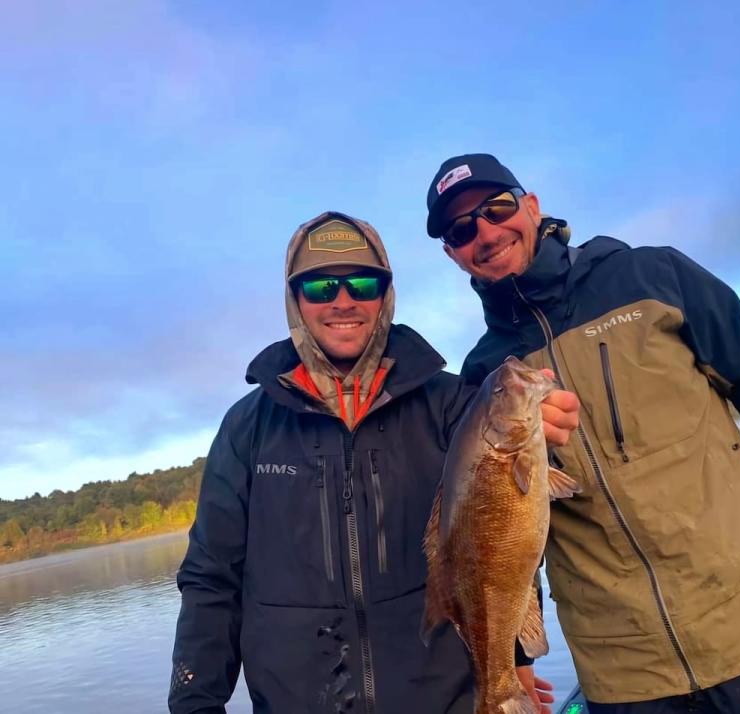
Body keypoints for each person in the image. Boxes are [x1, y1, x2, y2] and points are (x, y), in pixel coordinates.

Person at [424, 154, 740, 713]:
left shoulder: (651, 277)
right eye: (462, 229)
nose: (486, 232)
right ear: (452, 253)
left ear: (532, 206)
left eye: (497, 208)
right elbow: (494, 539)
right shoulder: (481, 375)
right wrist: (515, 654)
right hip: (626, 679)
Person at [168, 211, 577, 713]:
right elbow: (212, 579)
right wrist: (194, 702)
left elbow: (494, 540)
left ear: (385, 294)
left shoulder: (454, 407)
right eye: (320, 287)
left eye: (363, 283)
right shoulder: (247, 428)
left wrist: (515, 664)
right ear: (295, 299)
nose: (343, 300)